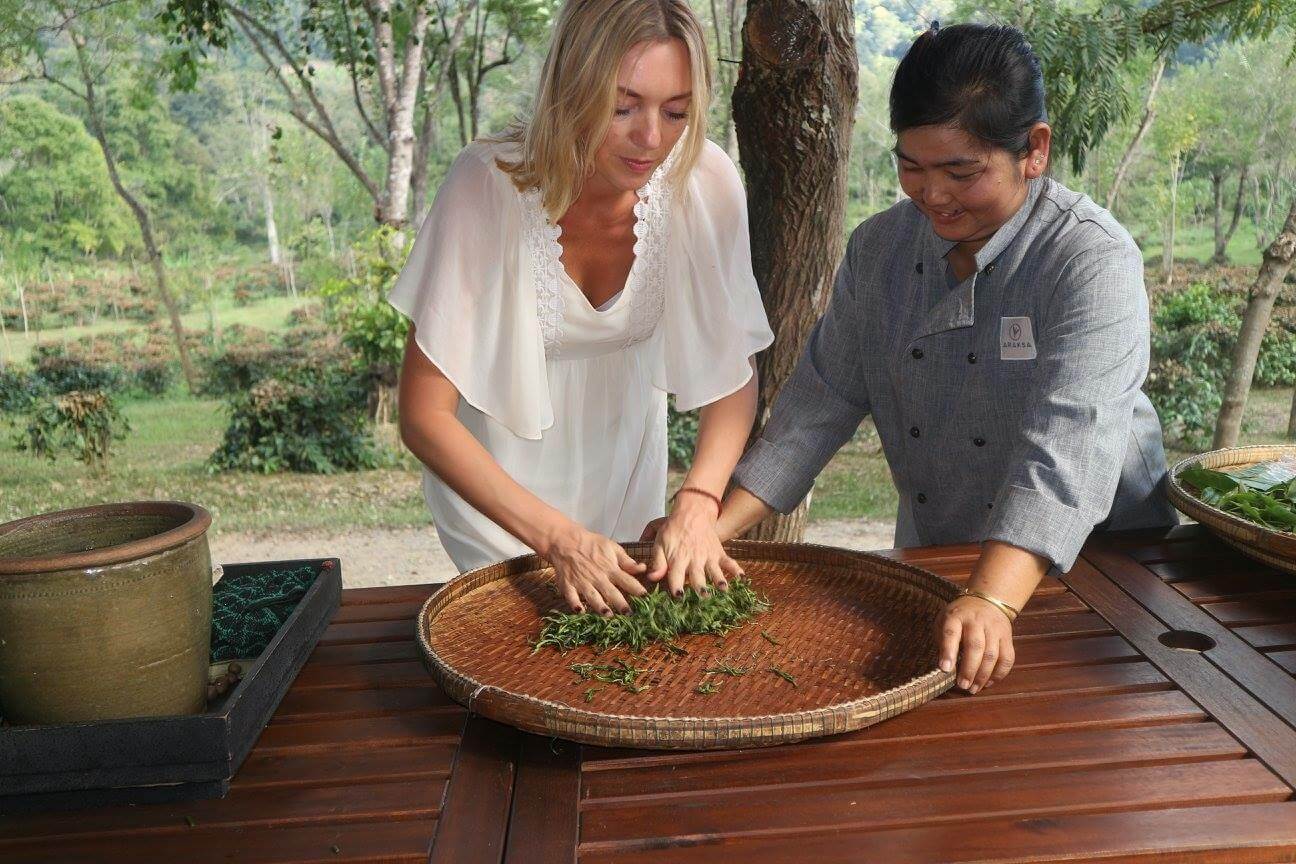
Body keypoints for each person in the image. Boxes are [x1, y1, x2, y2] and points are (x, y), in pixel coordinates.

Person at [714, 22, 1178, 696]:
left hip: (1103, 564)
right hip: (946, 554)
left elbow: (1066, 453)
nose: (932, 194)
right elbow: (817, 408)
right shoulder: (878, 251)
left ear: (1035, 149)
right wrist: (710, 526)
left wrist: (993, 599)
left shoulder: (1090, 260)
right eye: (912, 166)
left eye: (962, 171)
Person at [391, 0, 773, 617]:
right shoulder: (487, 185)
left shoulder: (703, 184)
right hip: (499, 485)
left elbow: (734, 373)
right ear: (572, 87)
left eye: (675, 112)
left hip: (626, 463)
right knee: (520, 656)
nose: (651, 138)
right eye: (622, 108)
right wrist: (556, 538)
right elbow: (423, 416)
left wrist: (700, 500)